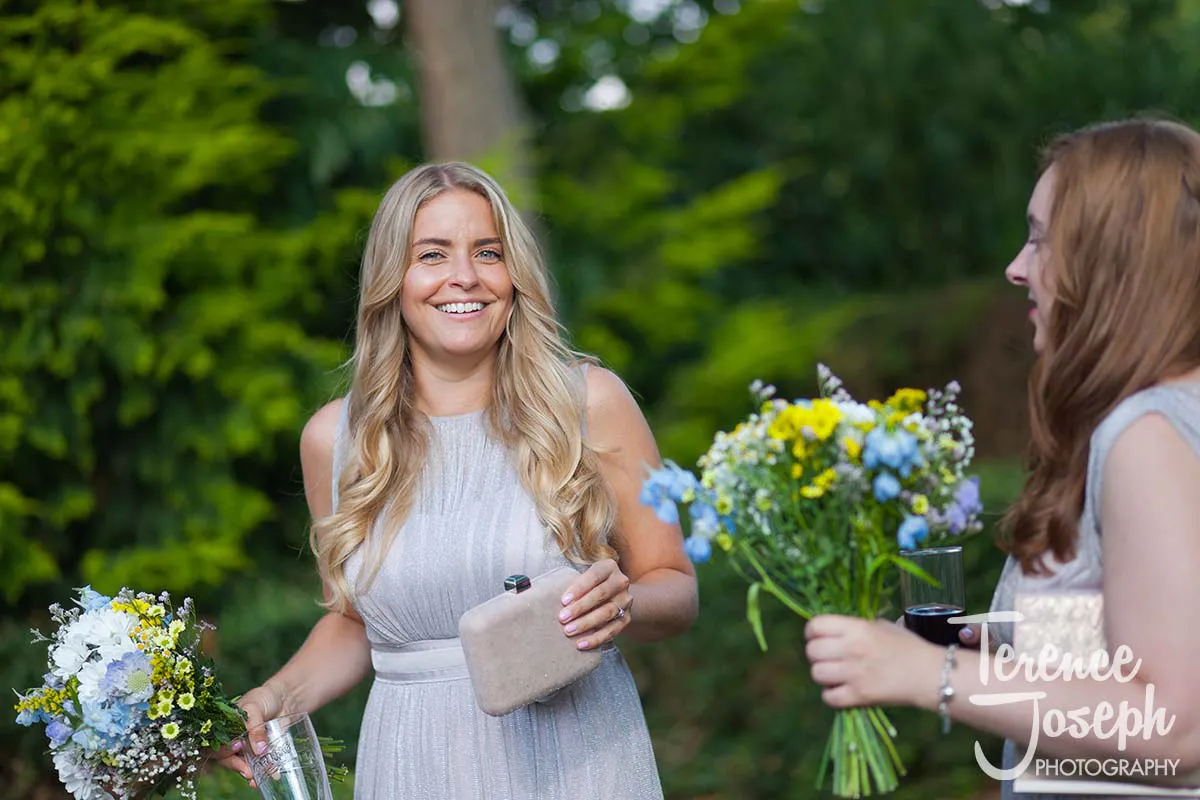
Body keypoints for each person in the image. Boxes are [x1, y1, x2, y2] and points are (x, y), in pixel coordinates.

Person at [217, 162, 699, 798]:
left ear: (514, 274)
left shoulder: (589, 403)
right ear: (393, 279)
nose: (464, 277)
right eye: (432, 254)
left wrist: (624, 603)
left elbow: (677, 588)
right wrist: (276, 695)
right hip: (412, 765)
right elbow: (358, 623)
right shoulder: (335, 439)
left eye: (488, 252)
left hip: (577, 762)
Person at [803, 118, 1200, 799]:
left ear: (1114, 259)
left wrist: (923, 674)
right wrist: (1013, 650)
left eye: (1043, 238)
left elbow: (1177, 729)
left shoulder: (1144, 433)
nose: (1017, 267)